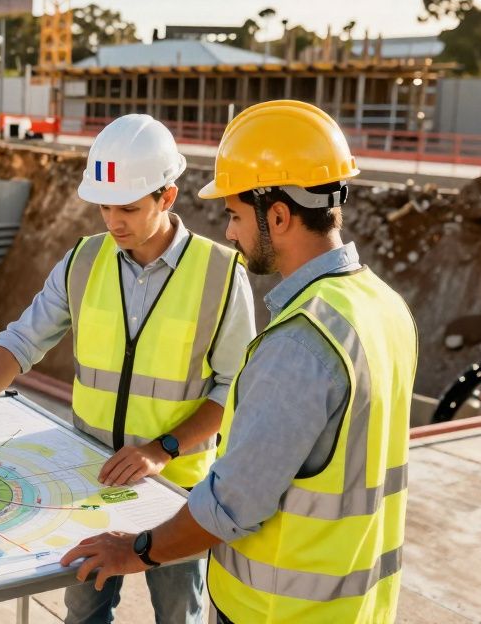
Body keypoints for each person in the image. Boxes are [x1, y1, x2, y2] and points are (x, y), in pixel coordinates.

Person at [59, 100, 418, 623]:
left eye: (234, 214)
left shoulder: (300, 343)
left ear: (278, 215)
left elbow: (232, 505)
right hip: (359, 607)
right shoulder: (383, 306)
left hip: (279, 610)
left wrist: (133, 550)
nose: (228, 232)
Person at [0, 114, 256, 624]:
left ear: (167, 198)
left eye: (128, 207)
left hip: (177, 490)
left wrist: (162, 449)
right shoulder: (82, 261)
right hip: (88, 480)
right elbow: (20, 341)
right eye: (103, 206)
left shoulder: (222, 273)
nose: (113, 221)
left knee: (177, 616)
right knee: (83, 613)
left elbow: (235, 389)